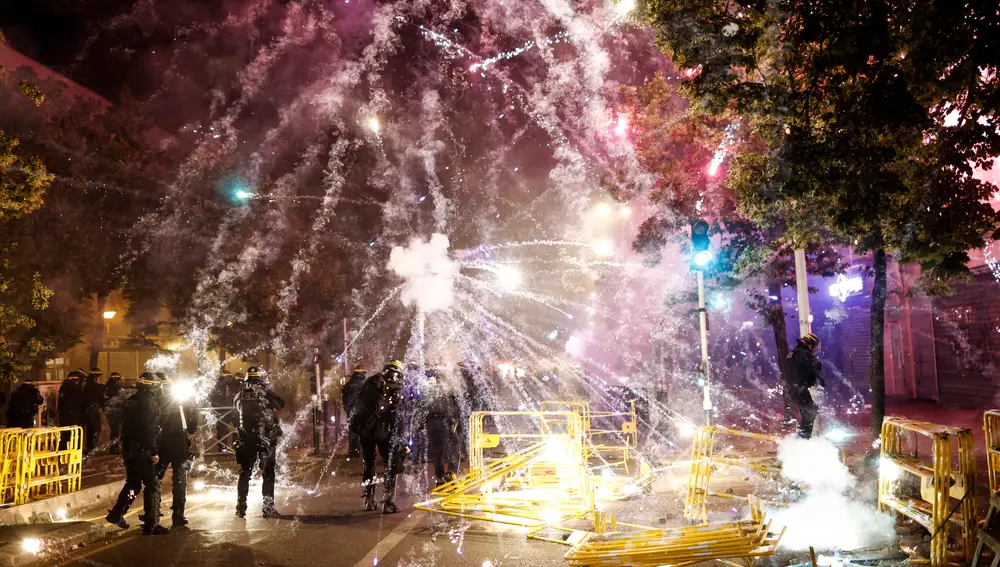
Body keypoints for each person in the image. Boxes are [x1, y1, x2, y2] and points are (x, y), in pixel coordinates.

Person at [106, 372, 168, 535]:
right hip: (142, 450)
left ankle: (116, 514)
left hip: (128, 448)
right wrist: (153, 451)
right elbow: (150, 430)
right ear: (152, 387)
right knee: (152, 485)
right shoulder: (150, 404)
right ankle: (152, 523)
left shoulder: (130, 401)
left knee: (133, 483)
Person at [351, 360, 409, 514]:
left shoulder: (371, 382)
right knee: (391, 464)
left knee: (369, 464)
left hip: (366, 431)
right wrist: (402, 440)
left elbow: (359, 406)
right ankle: (388, 502)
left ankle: (369, 500)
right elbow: (400, 417)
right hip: (385, 431)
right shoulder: (398, 388)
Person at [234, 366, 285, 518]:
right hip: (266, 439)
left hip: (246, 439)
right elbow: (281, 404)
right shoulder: (266, 393)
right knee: (268, 473)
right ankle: (268, 507)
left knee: (245, 473)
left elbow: (237, 410)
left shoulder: (240, 395)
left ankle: (241, 506)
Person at [155, 374, 198, 527]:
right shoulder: (182, 401)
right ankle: (178, 515)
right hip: (179, 445)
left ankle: (152, 513)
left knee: (155, 479)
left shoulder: (154, 399)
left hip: (159, 446)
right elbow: (192, 426)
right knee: (179, 481)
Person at [424, 367, 461, 486]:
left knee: (437, 451)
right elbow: (457, 404)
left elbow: (421, 406)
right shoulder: (448, 387)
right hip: (445, 420)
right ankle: (451, 473)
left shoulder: (427, 387)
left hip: (431, 422)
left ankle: (439, 477)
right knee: (454, 446)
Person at [785, 333, 824, 439]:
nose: (815, 350)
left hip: (793, 388)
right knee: (810, 411)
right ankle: (802, 440)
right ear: (810, 344)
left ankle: (802, 438)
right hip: (800, 389)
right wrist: (817, 367)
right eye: (814, 347)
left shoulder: (792, 353)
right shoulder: (805, 353)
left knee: (809, 411)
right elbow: (811, 371)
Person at [341, 364, 368, 458]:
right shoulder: (366, 384)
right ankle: (363, 450)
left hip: (351, 411)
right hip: (363, 411)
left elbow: (344, 400)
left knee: (353, 431)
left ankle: (354, 451)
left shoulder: (348, 385)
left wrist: (348, 410)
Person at [82, 368, 106, 455]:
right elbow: (100, 398)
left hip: (86, 410)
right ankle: (93, 448)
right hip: (93, 410)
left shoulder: (86, 385)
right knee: (95, 429)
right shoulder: (96, 386)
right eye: (99, 376)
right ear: (96, 376)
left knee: (90, 430)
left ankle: (89, 448)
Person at [58, 370, 84, 449]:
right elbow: (80, 400)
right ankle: (75, 451)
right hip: (72, 414)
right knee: (75, 434)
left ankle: (62, 449)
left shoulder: (63, 387)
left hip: (63, 414)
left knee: (64, 434)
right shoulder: (75, 388)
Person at [105, 372, 125, 454]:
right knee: (116, 431)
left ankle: (113, 448)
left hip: (110, 412)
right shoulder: (117, 388)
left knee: (113, 430)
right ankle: (114, 448)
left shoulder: (106, 387)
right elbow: (123, 397)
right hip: (116, 412)